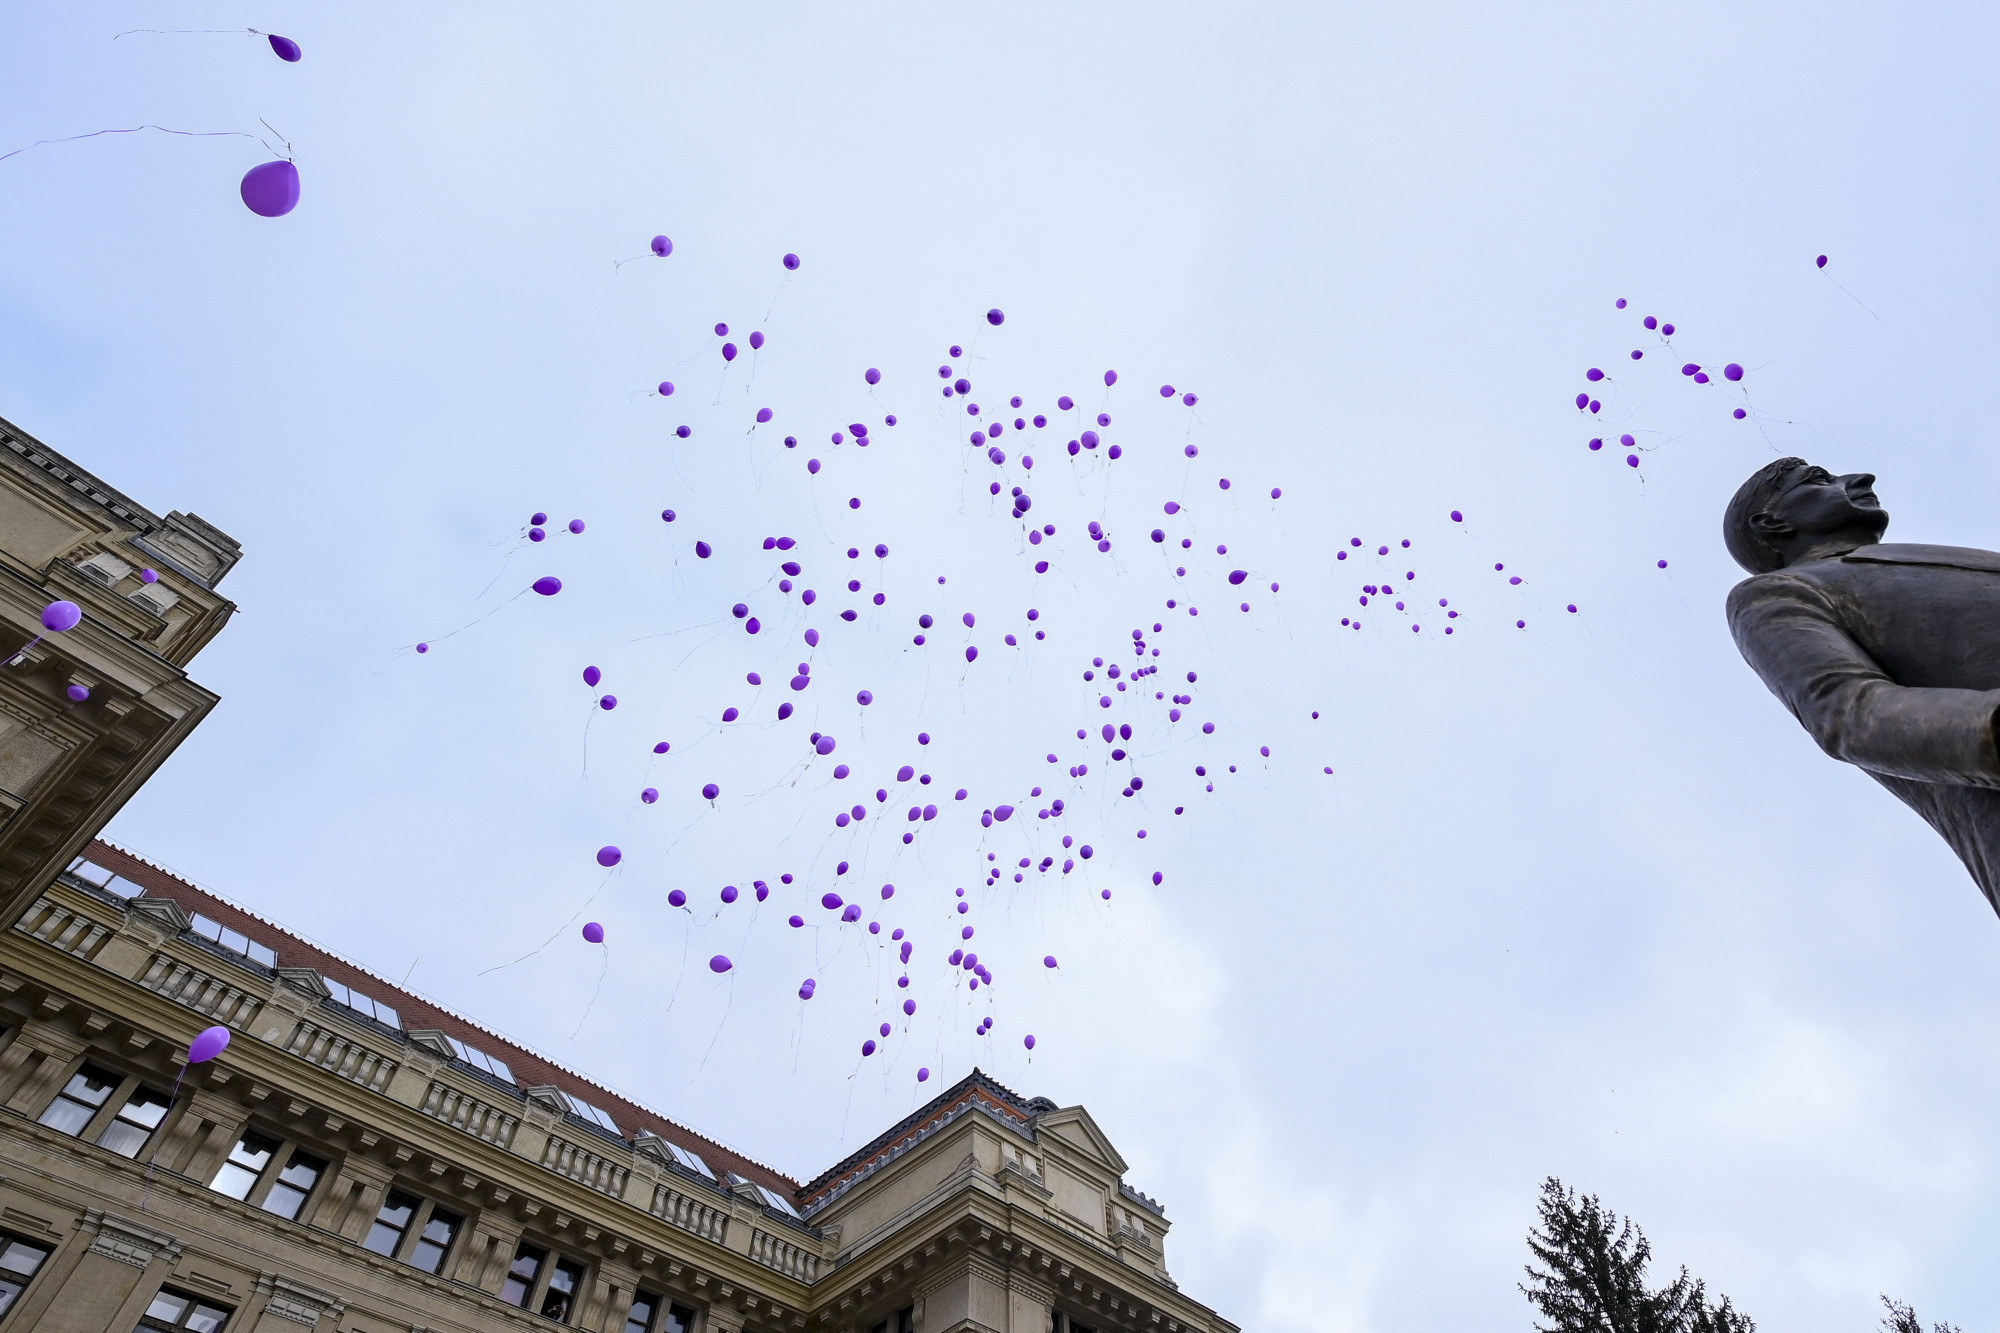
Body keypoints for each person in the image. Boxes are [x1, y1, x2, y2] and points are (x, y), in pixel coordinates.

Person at [1726, 457, 2000, 914]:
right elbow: (1847, 711)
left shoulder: (1927, 559)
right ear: (1770, 521)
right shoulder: (1777, 593)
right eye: (1819, 480)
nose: (1859, 478)